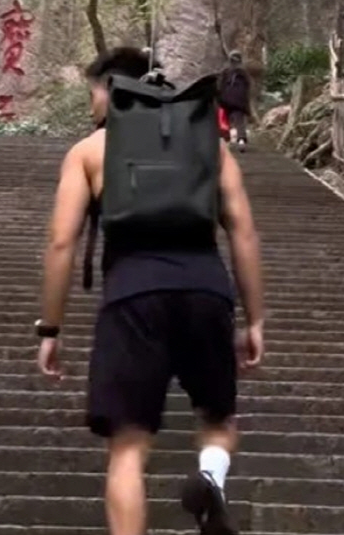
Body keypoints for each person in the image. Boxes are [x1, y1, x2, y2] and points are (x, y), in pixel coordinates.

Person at [35, 46, 264, 535]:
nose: (92, 106)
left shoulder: (90, 150)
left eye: (93, 95)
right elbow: (242, 231)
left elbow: (61, 242)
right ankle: (210, 477)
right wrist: (255, 319)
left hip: (132, 297)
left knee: (128, 446)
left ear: (110, 91)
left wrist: (50, 327)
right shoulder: (210, 144)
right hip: (206, 290)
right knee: (219, 420)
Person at [217, 51, 251, 148]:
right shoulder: (244, 72)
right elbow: (248, 87)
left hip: (225, 99)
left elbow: (219, 85)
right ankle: (241, 140)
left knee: (224, 119)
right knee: (239, 121)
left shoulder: (225, 71)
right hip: (239, 101)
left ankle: (225, 140)